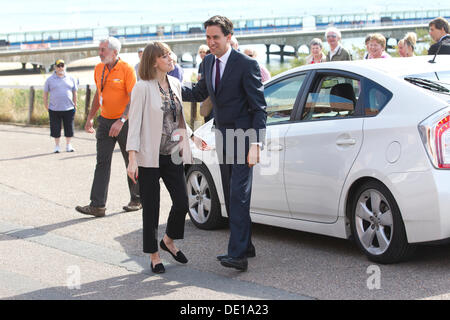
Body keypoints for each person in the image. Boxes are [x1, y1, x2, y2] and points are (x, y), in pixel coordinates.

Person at [182, 15, 267, 272]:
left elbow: (259, 108)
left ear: (229, 37)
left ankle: (238, 256)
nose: (211, 42)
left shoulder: (246, 64)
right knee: (232, 197)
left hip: (244, 139)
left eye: (215, 37)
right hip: (223, 138)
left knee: (238, 195)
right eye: (208, 38)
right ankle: (247, 245)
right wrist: (170, 86)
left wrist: (257, 144)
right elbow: (199, 93)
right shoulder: (208, 61)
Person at [127, 42, 207, 274]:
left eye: (170, 53)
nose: (171, 57)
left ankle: (169, 240)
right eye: (165, 55)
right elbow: (135, 126)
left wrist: (193, 138)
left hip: (173, 154)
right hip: (149, 157)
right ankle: (154, 255)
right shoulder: (141, 88)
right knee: (151, 208)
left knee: (183, 202)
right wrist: (132, 158)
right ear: (154, 61)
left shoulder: (175, 83)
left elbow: (177, 119)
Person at [75, 37, 141, 217]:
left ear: (114, 52)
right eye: (100, 49)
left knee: (131, 161)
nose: (100, 52)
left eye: (103, 49)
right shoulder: (99, 68)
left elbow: (133, 98)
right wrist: (90, 117)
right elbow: (99, 94)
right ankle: (97, 205)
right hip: (104, 122)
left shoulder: (127, 69)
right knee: (102, 163)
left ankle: (137, 199)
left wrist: (121, 120)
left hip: (125, 123)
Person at [43, 59, 77, 153]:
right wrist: (46, 105)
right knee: (55, 128)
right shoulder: (50, 80)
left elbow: (74, 92)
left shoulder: (71, 78)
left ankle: (68, 145)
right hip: (54, 108)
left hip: (69, 107)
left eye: (62, 65)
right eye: (58, 66)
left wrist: (75, 103)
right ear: (55, 67)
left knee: (69, 127)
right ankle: (57, 146)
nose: (60, 68)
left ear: (64, 66)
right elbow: (45, 93)